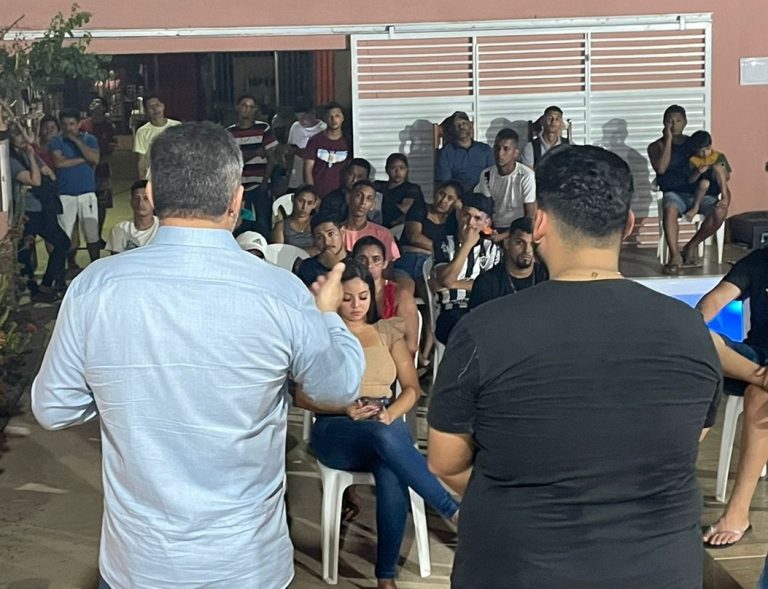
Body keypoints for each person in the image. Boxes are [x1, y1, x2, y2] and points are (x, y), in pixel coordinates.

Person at [31, 122, 365, 589]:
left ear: (151, 193)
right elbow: (339, 387)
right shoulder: (280, 292)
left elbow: (54, 407)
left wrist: (115, 390)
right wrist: (329, 316)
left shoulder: (96, 287)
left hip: (138, 565)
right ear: (235, 200)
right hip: (247, 565)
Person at [427, 144, 722, 589]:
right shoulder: (691, 330)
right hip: (662, 571)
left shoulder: (483, 331)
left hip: (519, 569)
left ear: (539, 224)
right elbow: (689, 437)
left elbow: (445, 463)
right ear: (628, 225)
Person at [298, 260, 459, 589]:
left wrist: (391, 412)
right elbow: (301, 397)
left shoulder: (387, 332)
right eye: (347, 298)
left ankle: (385, 578)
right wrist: (345, 408)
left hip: (382, 420)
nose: (356, 305)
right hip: (337, 426)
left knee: (389, 466)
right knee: (386, 438)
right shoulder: (323, 333)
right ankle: (451, 509)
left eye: (363, 297)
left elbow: (412, 388)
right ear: (335, 297)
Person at [697, 250, 768, 548]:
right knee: (700, 350)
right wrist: (691, 331)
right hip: (754, 360)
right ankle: (662, 482)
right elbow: (713, 302)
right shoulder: (760, 260)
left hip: (757, 384)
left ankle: (737, 515)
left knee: (759, 395)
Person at [648, 105, 727, 274]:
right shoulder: (656, 146)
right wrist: (668, 140)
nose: (674, 124)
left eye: (678, 120)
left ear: (685, 122)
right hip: (675, 193)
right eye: (669, 121)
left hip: (701, 192)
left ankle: (691, 245)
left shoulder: (694, 143)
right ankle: (675, 256)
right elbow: (661, 169)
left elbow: (714, 163)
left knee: (720, 212)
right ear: (664, 123)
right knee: (670, 208)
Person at [8, 123, 70, 299]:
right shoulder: (12, 161)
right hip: (26, 212)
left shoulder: (27, 154)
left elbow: (49, 173)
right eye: (19, 136)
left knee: (62, 243)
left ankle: (47, 283)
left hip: (42, 208)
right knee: (25, 252)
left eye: (24, 134)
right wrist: (31, 157)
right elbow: (35, 180)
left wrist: (32, 156)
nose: (23, 139)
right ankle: (34, 290)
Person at [431, 192, 500, 344]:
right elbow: (447, 279)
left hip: (482, 311)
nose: (470, 222)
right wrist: (467, 245)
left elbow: (491, 288)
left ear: (486, 223)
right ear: (458, 214)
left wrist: (454, 284)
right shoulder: (443, 243)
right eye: (466, 215)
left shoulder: (492, 249)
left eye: (477, 218)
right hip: (451, 311)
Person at [352, 236, 420, 355]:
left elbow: (411, 345)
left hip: (392, 358)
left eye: (376, 259)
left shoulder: (400, 295)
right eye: (362, 259)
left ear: (385, 263)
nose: (369, 265)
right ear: (353, 262)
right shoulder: (344, 293)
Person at [50, 108, 101, 263]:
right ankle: (66, 266)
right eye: (64, 124)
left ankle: (95, 264)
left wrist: (77, 142)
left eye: (72, 124)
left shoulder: (89, 139)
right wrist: (83, 159)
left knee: (92, 234)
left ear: (79, 124)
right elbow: (59, 163)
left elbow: (95, 158)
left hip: (87, 193)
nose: (68, 128)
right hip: (65, 194)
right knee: (64, 234)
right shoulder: (56, 141)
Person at [227, 94, 279, 238]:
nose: (247, 109)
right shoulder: (229, 133)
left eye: (251, 107)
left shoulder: (263, 128)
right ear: (237, 108)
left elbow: (271, 157)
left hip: (260, 183)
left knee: (262, 223)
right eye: (244, 106)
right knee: (239, 223)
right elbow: (232, 161)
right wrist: (255, 152)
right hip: (238, 186)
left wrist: (265, 182)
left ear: (255, 109)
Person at [469, 216, 548, 309]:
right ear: (507, 243)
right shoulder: (487, 282)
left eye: (532, 244)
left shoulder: (547, 277)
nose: (527, 250)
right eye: (519, 243)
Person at [392, 181, 461, 282]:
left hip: (435, 266)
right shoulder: (419, 207)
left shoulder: (452, 222)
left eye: (450, 198)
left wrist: (459, 209)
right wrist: (440, 250)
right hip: (410, 260)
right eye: (441, 194)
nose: (443, 200)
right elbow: (414, 236)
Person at [474, 128, 536, 238]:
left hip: (518, 229)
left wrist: (504, 236)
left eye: (506, 149)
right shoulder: (487, 174)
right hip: (495, 227)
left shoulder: (526, 175)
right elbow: (486, 208)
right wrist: (489, 229)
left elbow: (530, 216)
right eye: (497, 148)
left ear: (515, 153)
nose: (500, 153)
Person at [80, 97, 117, 244]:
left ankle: (98, 234)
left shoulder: (108, 126)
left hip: (102, 169)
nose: (93, 105)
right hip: (85, 168)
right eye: (92, 102)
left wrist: (101, 161)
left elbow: (112, 149)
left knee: (101, 204)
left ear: (104, 108)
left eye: (98, 103)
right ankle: (89, 235)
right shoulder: (83, 125)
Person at [341, 180, 400, 262]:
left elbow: (390, 265)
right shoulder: (336, 233)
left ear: (373, 205)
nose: (363, 202)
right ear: (348, 198)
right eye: (358, 195)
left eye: (369, 198)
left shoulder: (383, 234)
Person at [436, 111, 493, 193]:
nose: (461, 127)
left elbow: (493, 176)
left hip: (483, 194)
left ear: (470, 125)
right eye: (457, 125)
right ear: (453, 129)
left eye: (464, 123)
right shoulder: (446, 153)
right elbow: (445, 183)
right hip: (459, 195)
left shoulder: (485, 149)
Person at [303, 101, 351, 198]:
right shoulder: (315, 141)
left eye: (337, 116)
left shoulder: (349, 142)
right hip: (319, 194)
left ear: (343, 118)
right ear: (325, 118)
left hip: (341, 194)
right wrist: (312, 194)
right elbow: (308, 169)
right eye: (330, 116)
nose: (334, 119)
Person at [685, 130, 732, 222]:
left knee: (718, 167)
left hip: (715, 185)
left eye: (706, 150)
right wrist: (698, 172)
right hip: (700, 189)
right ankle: (695, 207)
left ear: (710, 146)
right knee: (704, 183)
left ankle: (724, 197)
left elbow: (728, 177)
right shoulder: (692, 160)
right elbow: (690, 180)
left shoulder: (719, 156)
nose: (704, 154)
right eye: (700, 151)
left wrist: (721, 171)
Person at [105, 180, 159, 254]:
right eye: (137, 198)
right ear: (131, 202)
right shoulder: (119, 230)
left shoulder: (163, 228)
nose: (140, 203)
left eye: (146, 198)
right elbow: (116, 259)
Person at [295, 212, 348, 287]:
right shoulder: (307, 267)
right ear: (314, 240)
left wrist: (335, 267)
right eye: (319, 237)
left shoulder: (356, 262)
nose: (326, 242)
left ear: (342, 231)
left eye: (330, 234)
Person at [134, 95, 181, 179]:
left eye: (157, 105)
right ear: (146, 111)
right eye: (151, 107)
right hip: (154, 177)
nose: (155, 109)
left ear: (163, 106)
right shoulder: (142, 132)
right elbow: (142, 158)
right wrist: (142, 179)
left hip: (176, 175)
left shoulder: (177, 126)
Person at [374, 153, 424, 228]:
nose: (397, 171)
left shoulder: (412, 189)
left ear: (407, 170)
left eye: (402, 168)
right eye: (393, 168)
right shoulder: (378, 186)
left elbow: (404, 208)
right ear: (387, 170)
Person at [287, 97, 326, 190]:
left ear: (312, 113)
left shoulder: (323, 129)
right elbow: (290, 151)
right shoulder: (295, 127)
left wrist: (299, 151)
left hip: (316, 178)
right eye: (298, 118)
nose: (301, 121)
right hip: (297, 179)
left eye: (304, 118)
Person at [318, 158, 373, 222]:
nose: (354, 180)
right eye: (351, 174)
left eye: (360, 177)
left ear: (367, 179)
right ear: (345, 174)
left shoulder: (372, 200)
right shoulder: (331, 198)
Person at [271, 185, 318, 253]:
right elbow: (278, 252)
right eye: (301, 201)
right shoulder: (281, 226)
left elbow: (320, 249)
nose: (304, 206)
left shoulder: (317, 223)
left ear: (315, 205)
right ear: (293, 199)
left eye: (309, 203)